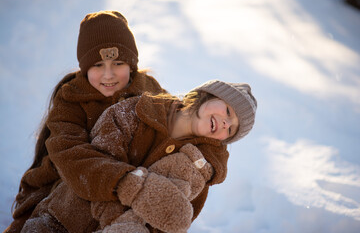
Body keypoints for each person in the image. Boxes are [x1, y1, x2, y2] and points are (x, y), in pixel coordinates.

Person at [21, 79, 257, 233]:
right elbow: (95, 163)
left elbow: (171, 217)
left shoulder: (200, 166)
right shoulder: (137, 111)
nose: (226, 122)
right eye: (227, 110)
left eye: (231, 129)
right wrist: (132, 186)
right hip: (62, 217)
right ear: (207, 95)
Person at [5, 10, 166, 233]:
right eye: (98, 65)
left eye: (118, 63)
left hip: (131, 190)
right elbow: (70, 153)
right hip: (67, 188)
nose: (108, 75)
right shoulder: (71, 98)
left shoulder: (151, 93)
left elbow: (178, 125)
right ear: (85, 67)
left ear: (132, 65)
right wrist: (121, 180)